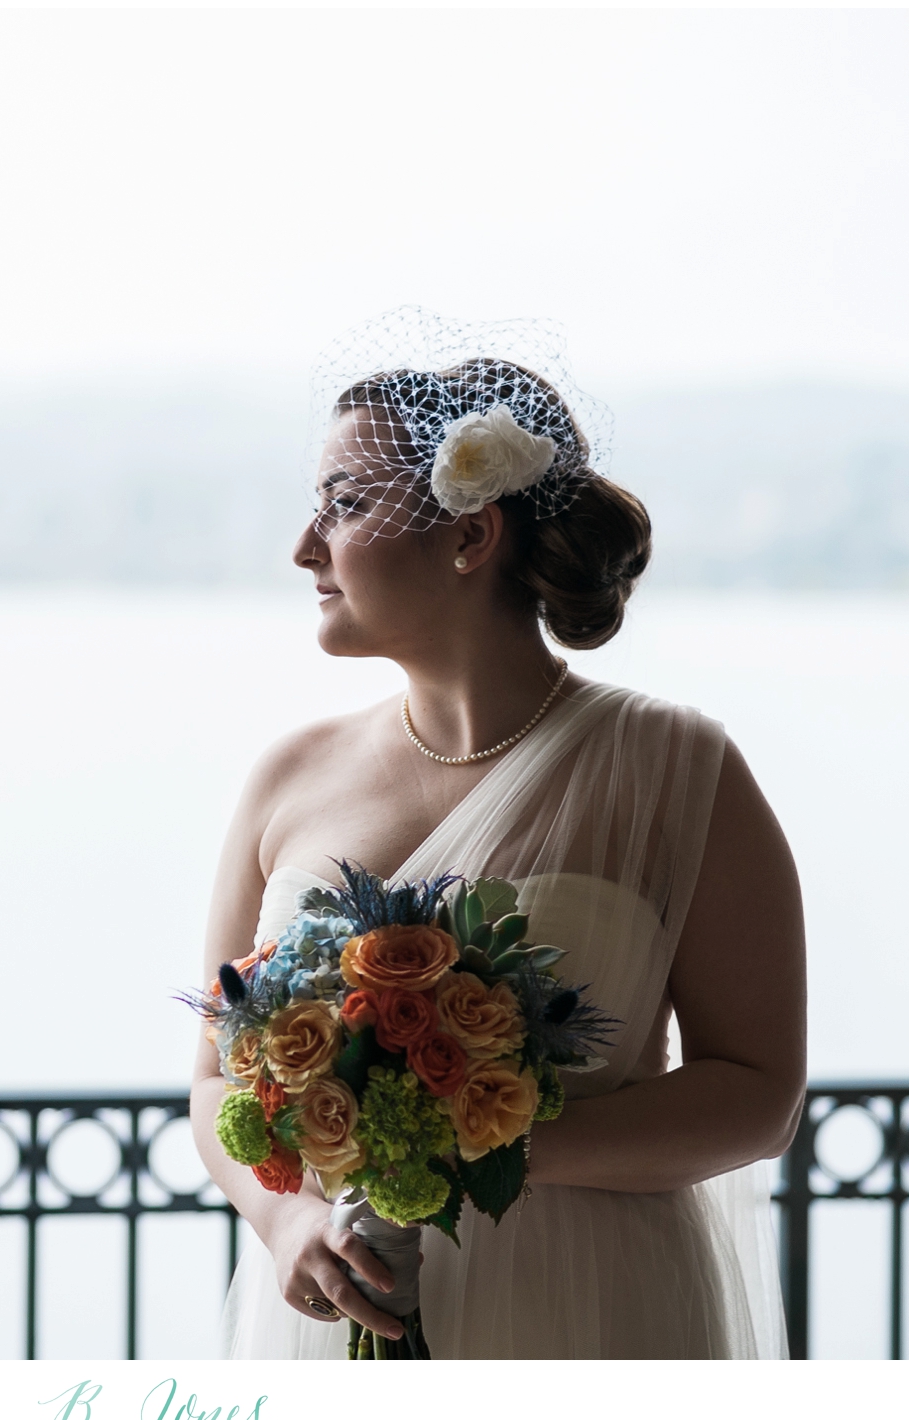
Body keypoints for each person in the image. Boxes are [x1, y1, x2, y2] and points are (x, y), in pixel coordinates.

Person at [189, 323, 806, 1359]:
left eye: (343, 504)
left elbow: (755, 1093)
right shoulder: (285, 776)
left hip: (594, 1310)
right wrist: (286, 1216)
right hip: (340, 1289)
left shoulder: (673, 766)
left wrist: (482, 1141)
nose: (305, 546)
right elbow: (213, 1080)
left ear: (470, 538)